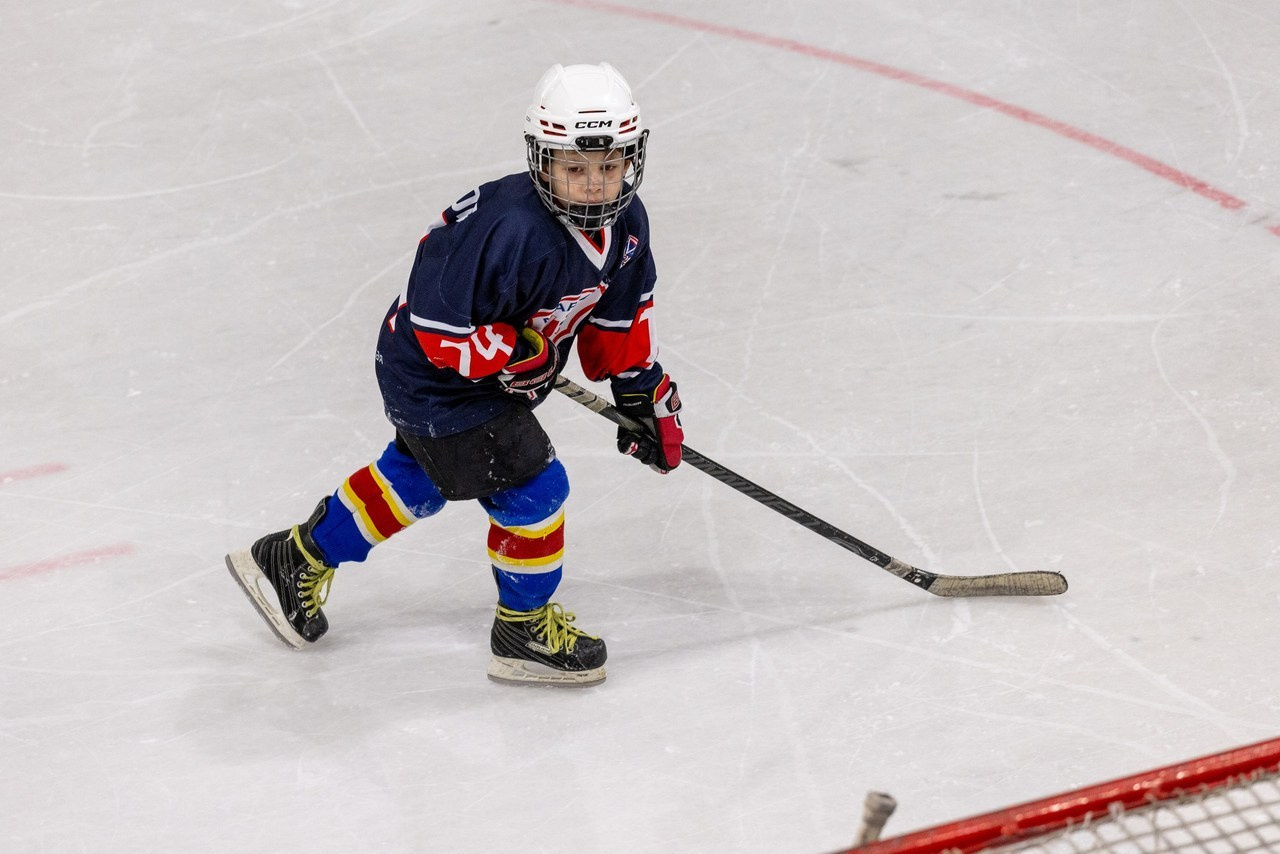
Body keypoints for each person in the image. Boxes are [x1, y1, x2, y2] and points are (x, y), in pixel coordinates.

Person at [225, 62, 683, 687]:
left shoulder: (629, 225)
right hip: (436, 376)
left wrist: (639, 390)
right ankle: (522, 630)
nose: (594, 186)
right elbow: (436, 323)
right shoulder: (507, 227)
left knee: (418, 479)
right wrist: (506, 351)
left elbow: (618, 320)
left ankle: (292, 559)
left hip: (482, 380)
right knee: (534, 488)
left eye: (608, 166)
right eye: (575, 169)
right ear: (543, 160)